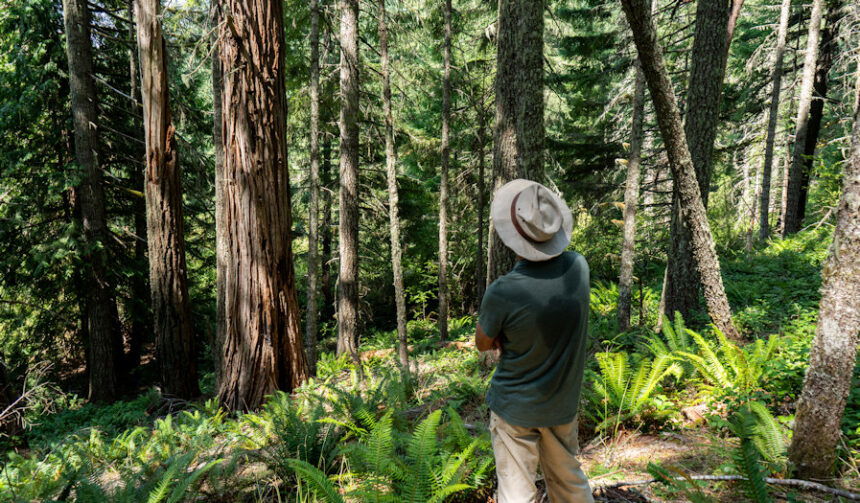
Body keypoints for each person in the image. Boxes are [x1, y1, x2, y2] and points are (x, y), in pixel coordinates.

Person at [476, 179, 593, 503]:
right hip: (562, 404)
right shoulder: (578, 268)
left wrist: (503, 333)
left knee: (516, 493)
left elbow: (483, 343)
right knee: (570, 484)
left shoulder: (504, 290)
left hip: (515, 407)